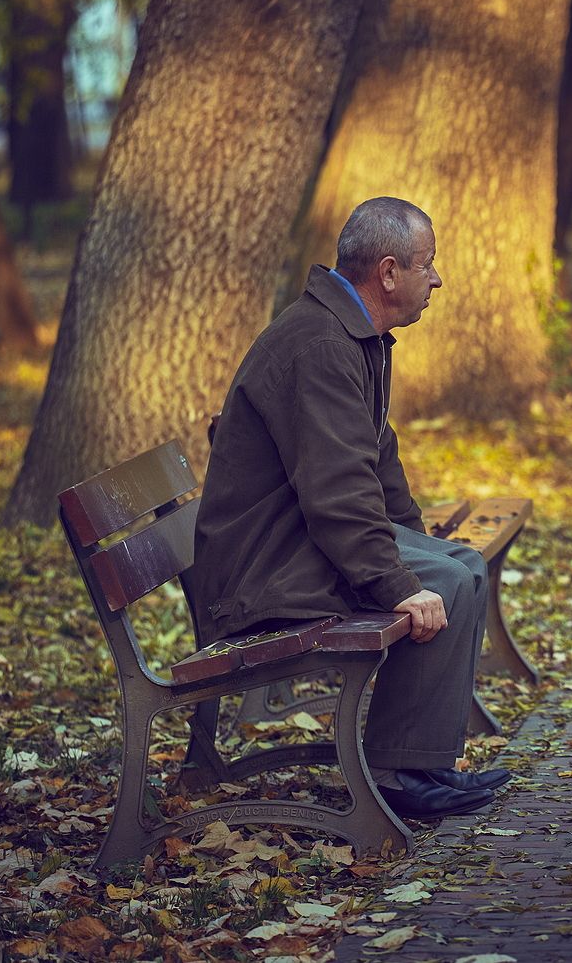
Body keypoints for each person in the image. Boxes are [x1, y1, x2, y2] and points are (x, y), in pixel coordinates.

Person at [189, 197, 509, 822]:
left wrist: (415, 541)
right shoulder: (319, 345)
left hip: (293, 543)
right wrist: (401, 580)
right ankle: (396, 776)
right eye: (428, 265)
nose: (436, 279)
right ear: (389, 272)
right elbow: (336, 490)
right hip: (261, 573)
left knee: (463, 566)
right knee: (443, 581)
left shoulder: (352, 334)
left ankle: (421, 761)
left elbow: (375, 455)